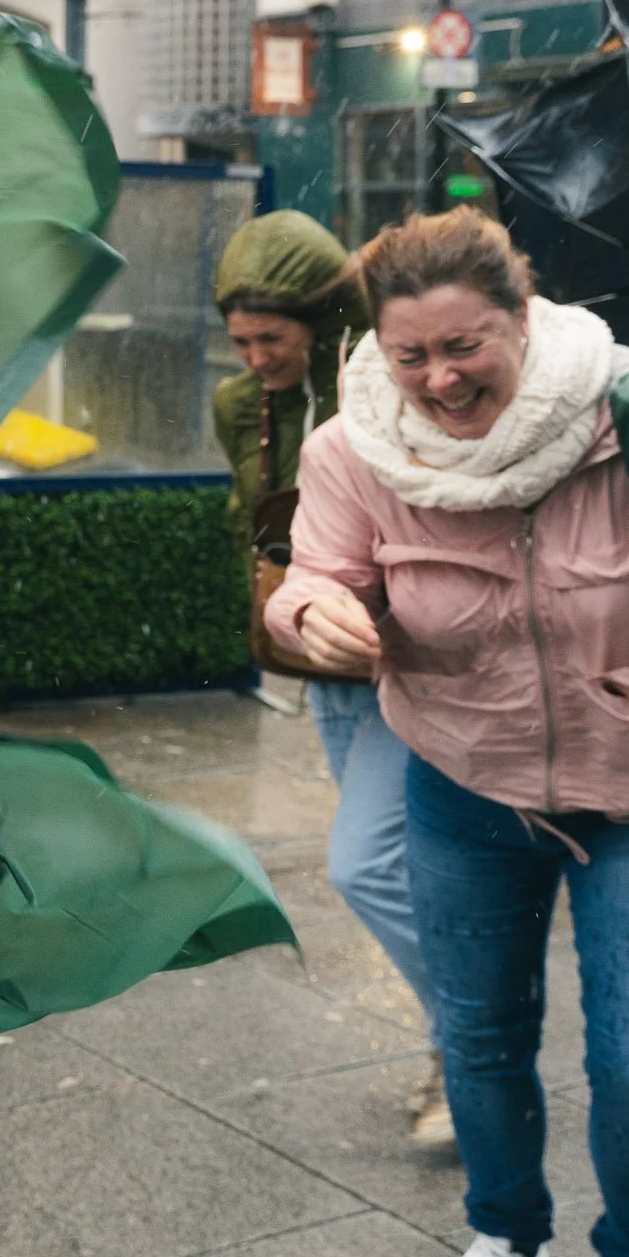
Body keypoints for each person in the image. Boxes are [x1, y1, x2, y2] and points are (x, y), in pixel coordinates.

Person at [264, 210, 629, 1257]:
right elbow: (312, 576)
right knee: (479, 1037)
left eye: (466, 345)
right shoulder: (355, 450)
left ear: (522, 318)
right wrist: (314, 616)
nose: (441, 378)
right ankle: (507, 1245)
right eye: (413, 356)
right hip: (466, 777)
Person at [210, 208, 450, 1149]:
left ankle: (474, 1035)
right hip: (322, 660)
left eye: (272, 336)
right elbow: (256, 524)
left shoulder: (377, 377)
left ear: (317, 319)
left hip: (410, 650)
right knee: (405, 861)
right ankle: (466, 1032)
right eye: (239, 340)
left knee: (367, 863)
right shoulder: (240, 406)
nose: (256, 355)